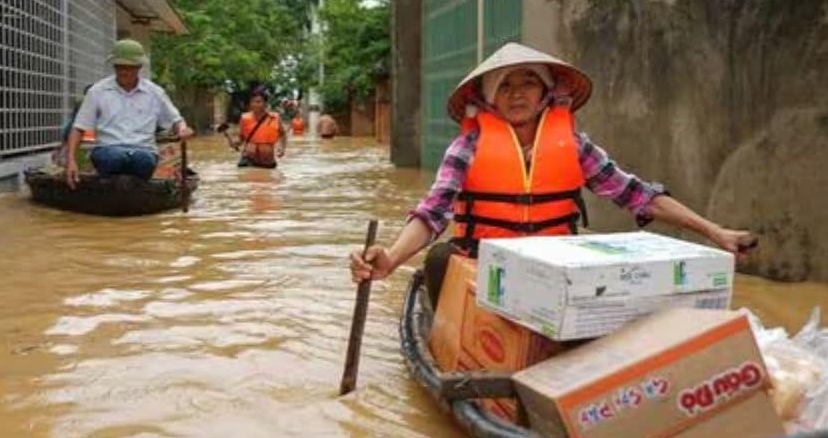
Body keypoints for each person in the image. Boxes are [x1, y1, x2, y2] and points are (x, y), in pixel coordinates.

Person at [349, 42, 757, 303]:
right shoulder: (467, 148)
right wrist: (391, 257)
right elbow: (433, 213)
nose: (518, 93)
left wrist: (715, 232)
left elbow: (638, 195)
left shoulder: (575, 146)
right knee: (439, 261)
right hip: (486, 267)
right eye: (506, 86)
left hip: (556, 268)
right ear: (491, 100)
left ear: (546, 94)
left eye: (529, 83)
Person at [65, 39, 194, 188]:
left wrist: (183, 130)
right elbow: (78, 127)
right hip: (108, 151)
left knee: (142, 160)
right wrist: (71, 161)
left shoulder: (155, 92)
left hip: (144, 152)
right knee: (114, 158)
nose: (124, 71)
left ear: (139, 67)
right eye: (119, 67)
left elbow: (176, 121)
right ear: (114, 66)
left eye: (129, 67)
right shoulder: (97, 91)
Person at [225, 85, 288, 168]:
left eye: (258, 102)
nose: (255, 104)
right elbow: (241, 139)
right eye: (252, 102)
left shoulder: (275, 117)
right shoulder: (244, 118)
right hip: (249, 163)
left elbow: (282, 134)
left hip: (268, 164)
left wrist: (282, 148)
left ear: (265, 103)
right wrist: (234, 143)